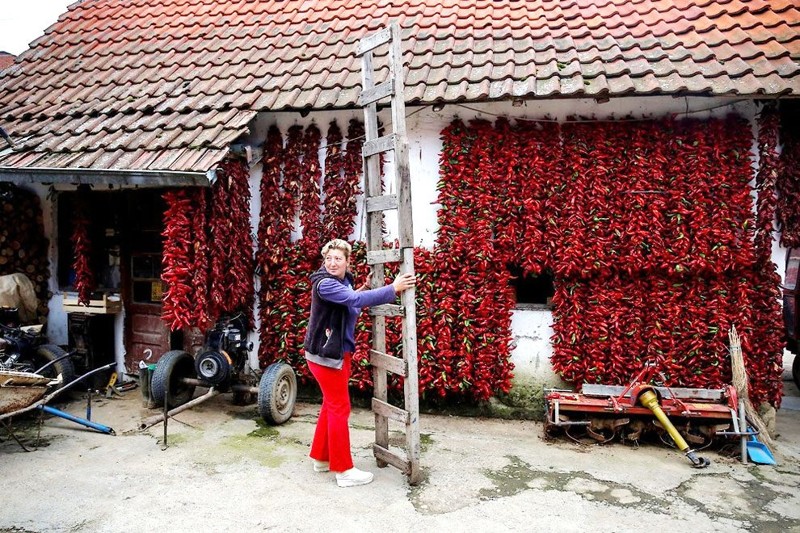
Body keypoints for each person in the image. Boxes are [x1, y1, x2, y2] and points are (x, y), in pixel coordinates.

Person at [304, 238, 415, 487]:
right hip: (326, 357)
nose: (332, 263)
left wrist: (363, 290)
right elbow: (353, 302)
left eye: (338, 259)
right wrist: (393, 288)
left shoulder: (342, 282)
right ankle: (344, 471)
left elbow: (350, 301)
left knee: (330, 405)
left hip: (334, 353)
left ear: (347, 261)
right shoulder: (324, 285)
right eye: (328, 258)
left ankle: (321, 459)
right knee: (339, 408)